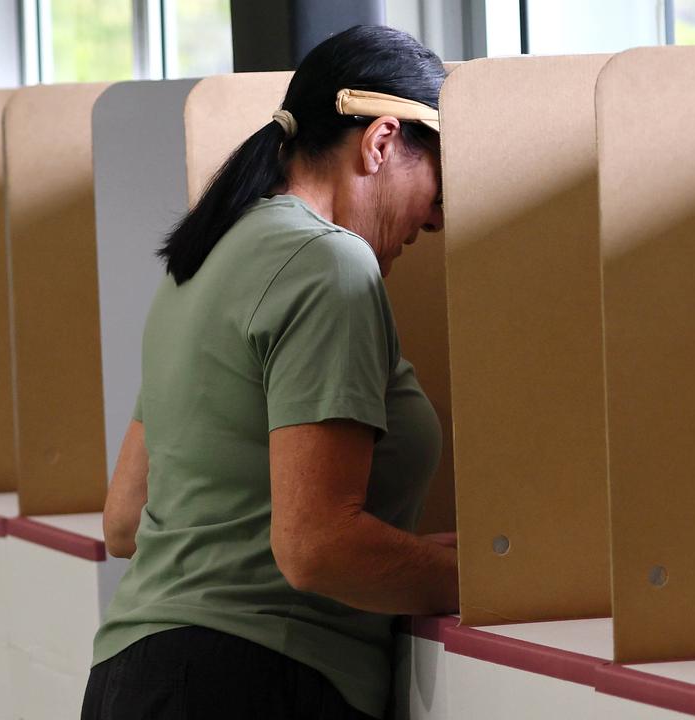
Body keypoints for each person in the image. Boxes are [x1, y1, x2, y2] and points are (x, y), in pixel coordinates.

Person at [80, 25, 459, 720]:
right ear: (380, 142)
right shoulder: (329, 266)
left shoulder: (208, 256)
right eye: (439, 182)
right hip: (254, 681)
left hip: (135, 678)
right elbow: (315, 548)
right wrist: (486, 577)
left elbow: (128, 519)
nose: (437, 217)